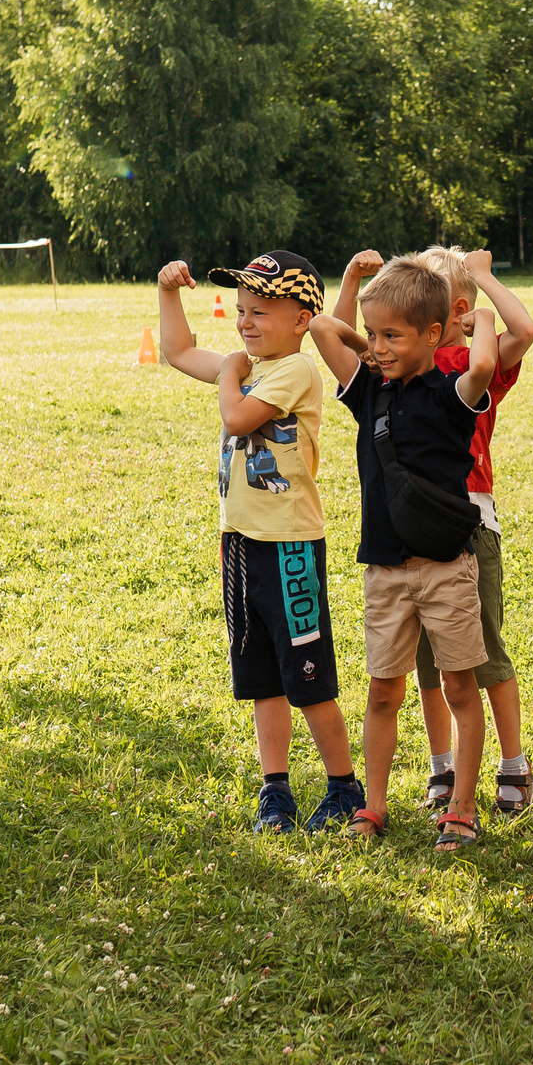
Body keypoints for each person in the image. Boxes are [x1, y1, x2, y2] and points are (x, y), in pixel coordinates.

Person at [154, 251, 365, 833]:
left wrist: (229, 371)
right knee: (261, 677)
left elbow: (237, 417)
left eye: (261, 311)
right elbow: (178, 351)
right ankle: (276, 790)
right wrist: (168, 293)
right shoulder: (247, 365)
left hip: (289, 546)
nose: (246, 322)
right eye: (242, 309)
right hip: (241, 542)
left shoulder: (295, 370)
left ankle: (344, 787)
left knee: (308, 677)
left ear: (301, 321)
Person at [332, 248, 533, 816]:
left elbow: (519, 334)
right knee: (428, 667)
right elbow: (336, 339)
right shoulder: (388, 371)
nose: (381, 343)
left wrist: (485, 286)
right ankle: (441, 766)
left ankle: (512, 763)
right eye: (377, 333)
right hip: (399, 537)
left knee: (480, 659)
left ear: (452, 313)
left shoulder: (467, 365)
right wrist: (366, 332)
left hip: (463, 525)